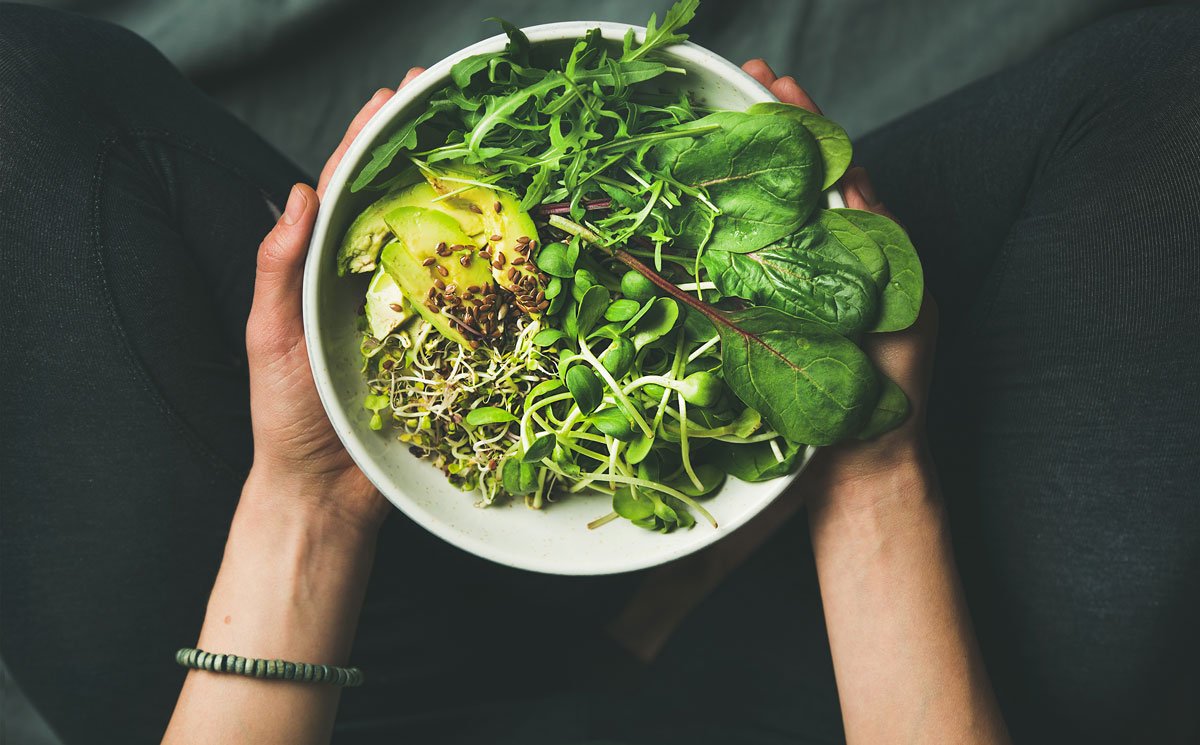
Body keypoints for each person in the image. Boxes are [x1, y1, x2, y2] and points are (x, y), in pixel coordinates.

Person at [1, 3, 1197, 744]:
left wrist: (309, 501)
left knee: (20, 92)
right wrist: (872, 480)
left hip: (331, 678)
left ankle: (625, 599)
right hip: (833, 692)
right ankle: (676, 599)